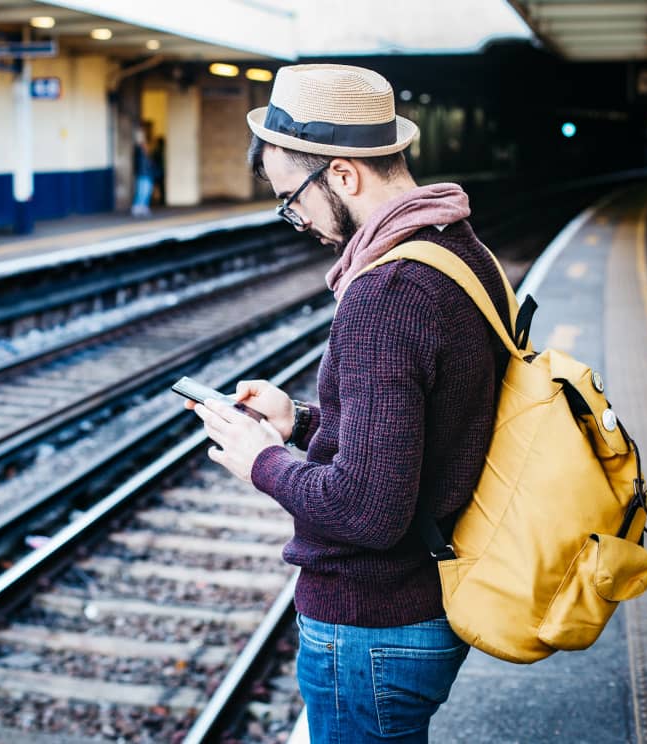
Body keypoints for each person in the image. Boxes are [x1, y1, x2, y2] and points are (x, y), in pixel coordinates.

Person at [186, 64, 511, 742]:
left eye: (291, 198)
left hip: (373, 623)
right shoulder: (459, 249)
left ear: (342, 174)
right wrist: (299, 421)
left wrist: (261, 460)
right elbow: (429, 428)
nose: (294, 218)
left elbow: (366, 509)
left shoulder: (385, 294)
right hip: (421, 603)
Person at [131, 127, 154, 217]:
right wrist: (140, 138)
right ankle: (137, 207)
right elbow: (139, 143)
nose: (147, 147)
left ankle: (143, 207)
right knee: (142, 191)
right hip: (142, 174)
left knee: (146, 191)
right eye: (145, 145)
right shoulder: (139, 153)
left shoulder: (146, 156)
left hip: (147, 174)